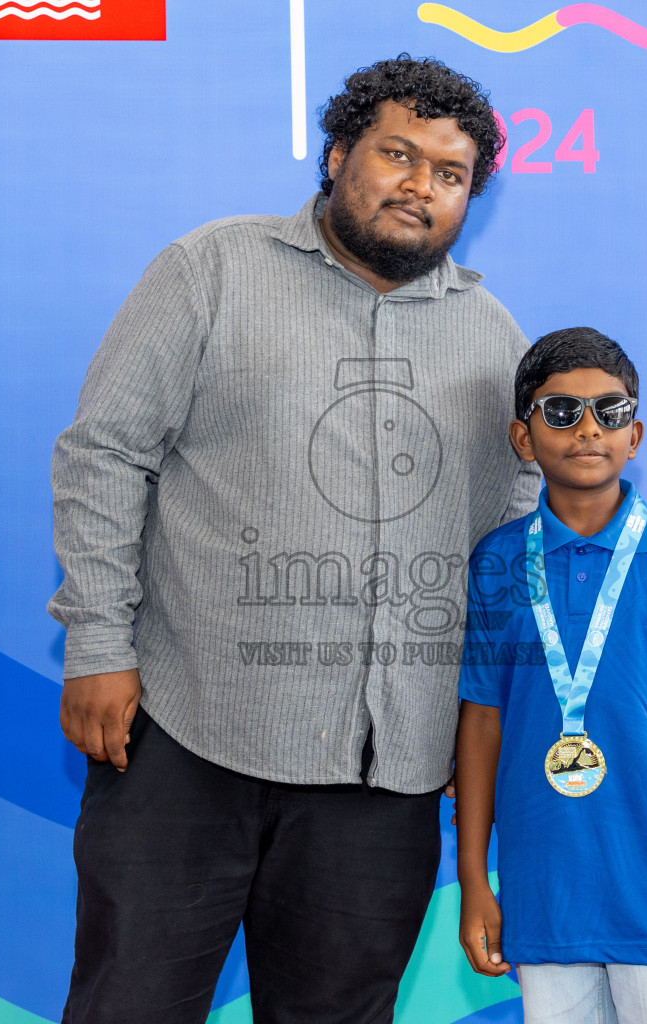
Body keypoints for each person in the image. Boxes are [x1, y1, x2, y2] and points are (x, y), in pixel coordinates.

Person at [48, 56, 540, 1024]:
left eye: (449, 174)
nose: (419, 186)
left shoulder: (492, 338)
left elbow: (505, 539)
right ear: (337, 155)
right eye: (398, 154)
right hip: (187, 736)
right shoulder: (212, 270)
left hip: (384, 769)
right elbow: (105, 455)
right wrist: (99, 646)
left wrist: (476, 710)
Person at [453, 327, 647, 1024]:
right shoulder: (499, 562)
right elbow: (481, 724)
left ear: (637, 434)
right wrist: (474, 880)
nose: (588, 429)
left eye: (611, 411)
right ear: (522, 437)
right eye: (561, 412)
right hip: (547, 890)